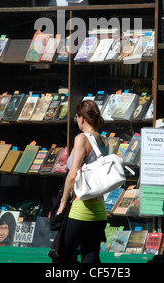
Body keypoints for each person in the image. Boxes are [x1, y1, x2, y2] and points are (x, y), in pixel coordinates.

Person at [57, 99, 109, 263]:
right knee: (91, 256)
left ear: (82, 118)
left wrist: (62, 202)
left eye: (77, 117)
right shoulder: (103, 141)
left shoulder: (82, 139)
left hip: (81, 208)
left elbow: (72, 174)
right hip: (99, 210)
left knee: (61, 256)